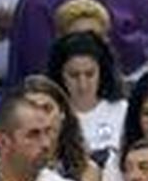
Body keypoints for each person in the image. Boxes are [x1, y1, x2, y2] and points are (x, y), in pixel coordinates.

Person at [48, 30, 126, 158]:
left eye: (90, 74)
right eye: (73, 75)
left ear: (102, 72)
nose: (82, 85)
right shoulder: (51, 117)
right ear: (60, 75)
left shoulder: (122, 110)